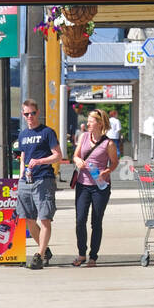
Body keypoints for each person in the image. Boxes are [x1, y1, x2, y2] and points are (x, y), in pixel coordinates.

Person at [17, 99, 62, 270]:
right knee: (28, 219)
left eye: (33, 113)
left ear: (38, 112)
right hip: (26, 181)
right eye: (26, 114)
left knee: (44, 219)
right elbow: (22, 157)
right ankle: (45, 251)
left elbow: (57, 155)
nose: (30, 117)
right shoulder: (22, 135)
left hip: (43, 179)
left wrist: (40, 161)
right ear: (23, 114)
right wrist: (21, 176)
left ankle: (39, 256)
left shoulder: (47, 132)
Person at [72, 108, 118, 267]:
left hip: (100, 187)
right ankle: (81, 253)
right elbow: (76, 155)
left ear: (99, 123)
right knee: (79, 220)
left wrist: (107, 171)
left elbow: (114, 162)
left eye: (91, 121)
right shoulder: (84, 137)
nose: (87, 123)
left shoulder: (108, 143)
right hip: (82, 185)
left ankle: (93, 256)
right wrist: (77, 161)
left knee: (96, 222)